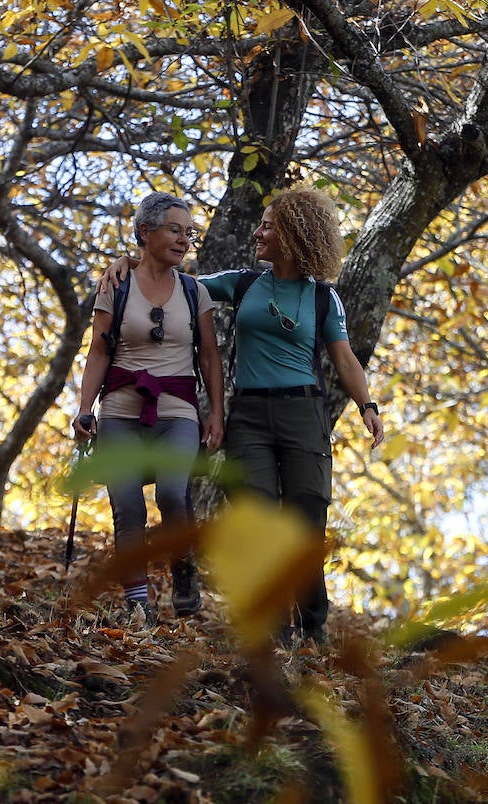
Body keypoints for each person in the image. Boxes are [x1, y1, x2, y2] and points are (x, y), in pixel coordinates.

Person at [105, 185, 384, 647]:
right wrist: (129, 264)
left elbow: (345, 357)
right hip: (250, 416)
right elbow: (174, 280)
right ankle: (278, 631)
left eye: (268, 226)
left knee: (305, 524)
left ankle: (313, 626)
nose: (258, 232)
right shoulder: (243, 282)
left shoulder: (322, 299)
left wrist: (367, 406)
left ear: (293, 234)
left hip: (304, 415)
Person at [74, 193, 225, 626]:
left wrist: (215, 413)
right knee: (127, 505)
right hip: (121, 411)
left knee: (172, 493)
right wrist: (85, 409)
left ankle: (183, 569)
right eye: (175, 230)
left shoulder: (195, 291)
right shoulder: (115, 286)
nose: (184, 241)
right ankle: (137, 604)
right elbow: (98, 352)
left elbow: (210, 357)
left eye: (189, 233)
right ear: (145, 232)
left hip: (177, 412)